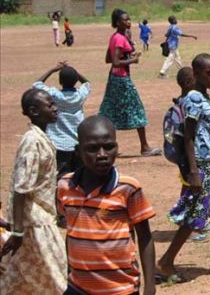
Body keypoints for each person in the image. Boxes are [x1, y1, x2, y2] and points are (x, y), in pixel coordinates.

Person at [56, 115, 156, 295]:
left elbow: (145, 237)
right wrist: (70, 269)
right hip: (78, 287)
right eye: (92, 149)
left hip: (119, 288)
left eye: (109, 147)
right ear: (78, 152)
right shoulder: (65, 186)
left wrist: (150, 287)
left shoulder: (128, 188)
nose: (102, 155)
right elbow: (73, 230)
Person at [158, 54, 210, 279]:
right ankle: (166, 261)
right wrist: (193, 171)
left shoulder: (204, 97)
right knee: (194, 215)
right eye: (209, 73)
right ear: (196, 74)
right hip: (200, 165)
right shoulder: (194, 99)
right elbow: (188, 137)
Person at [0, 89, 67, 294]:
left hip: (36, 218)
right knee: (58, 274)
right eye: (49, 105)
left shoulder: (40, 137)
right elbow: (21, 189)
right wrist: (18, 230)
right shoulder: (32, 141)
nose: (55, 108)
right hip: (35, 222)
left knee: (20, 276)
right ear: (34, 111)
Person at [99, 8, 161, 157]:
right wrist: (133, 60)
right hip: (122, 79)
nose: (128, 22)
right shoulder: (120, 38)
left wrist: (128, 54)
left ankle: (109, 147)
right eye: (125, 20)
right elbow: (115, 61)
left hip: (114, 78)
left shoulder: (115, 37)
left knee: (110, 112)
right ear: (117, 22)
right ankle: (144, 147)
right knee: (137, 109)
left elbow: (108, 58)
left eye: (129, 19)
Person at [33, 62, 91, 176]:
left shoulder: (55, 95)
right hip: (77, 142)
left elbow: (37, 84)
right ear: (75, 80)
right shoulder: (80, 96)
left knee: (60, 175)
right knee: (77, 175)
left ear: (60, 82)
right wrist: (75, 72)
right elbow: (87, 83)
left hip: (58, 143)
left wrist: (53, 69)